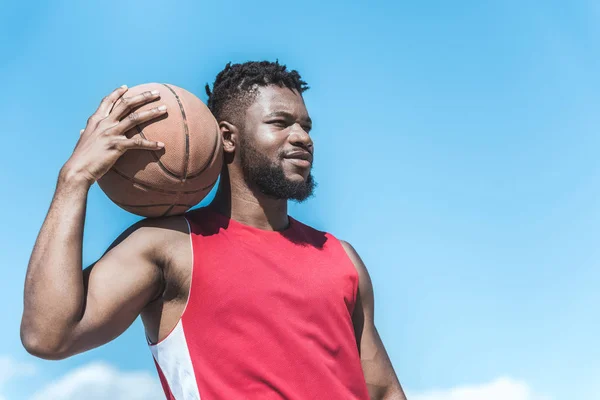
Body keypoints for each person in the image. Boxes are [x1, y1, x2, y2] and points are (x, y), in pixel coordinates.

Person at [21, 61, 406, 400]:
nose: (303, 137)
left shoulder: (341, 257)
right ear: (227, 137)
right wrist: (74, 178)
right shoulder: (168, 247)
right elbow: (47, 336)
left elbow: (383, 390)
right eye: (280, 123)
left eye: (306, 126)